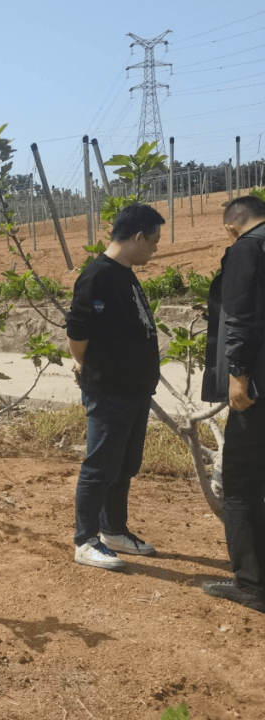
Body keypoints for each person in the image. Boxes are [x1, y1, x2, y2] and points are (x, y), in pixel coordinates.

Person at [66, 203, 164, 571]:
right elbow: (78, 330)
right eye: (153, 242)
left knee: (124, 465)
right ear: (137, 238)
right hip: (109, 388)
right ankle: (85, 540)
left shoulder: (125, 273)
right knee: (100, 466)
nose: (155, 249)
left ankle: (113, 531)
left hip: (135, 388)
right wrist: (81, 363)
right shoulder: (98, 275)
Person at [200, 194, 265, 612]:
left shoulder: (246, 248)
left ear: (231, 224)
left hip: (256, 389)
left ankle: (250, 583)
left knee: (240, 482)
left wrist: (237, 377)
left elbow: (240, 316)